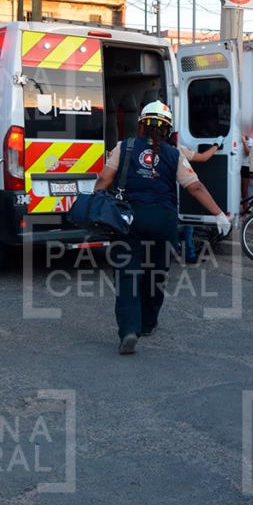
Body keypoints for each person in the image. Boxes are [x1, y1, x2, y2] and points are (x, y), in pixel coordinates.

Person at [94, 101, 231, 355]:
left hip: (128, 221)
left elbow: (104, 179)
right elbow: (195, 187)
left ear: (140, 126)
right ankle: (148, 323)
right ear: (167, 131)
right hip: (163, 222)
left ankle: (129, 330)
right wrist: (219, 214)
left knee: (127, 276)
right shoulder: (174, 154)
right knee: (156, 274)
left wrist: (97, 203)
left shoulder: (123, 148)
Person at [175, 138, 222, 262]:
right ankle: (189, 254)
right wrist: (217, 145)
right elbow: (203, 157)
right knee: (187, 223)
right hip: (174, 194)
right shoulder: (176, 149)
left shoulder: (135, 147)